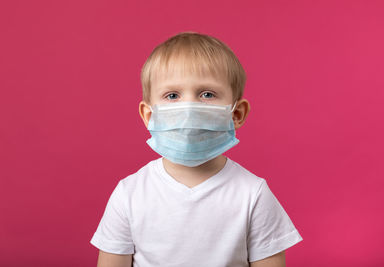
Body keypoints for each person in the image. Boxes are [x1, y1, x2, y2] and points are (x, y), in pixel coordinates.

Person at [90, 31, 303, 267]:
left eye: (207, 94)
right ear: (149, 115)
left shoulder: (253, 195)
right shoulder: (129, 194)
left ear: (236, 114)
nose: (189, 108)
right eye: (172, 95)